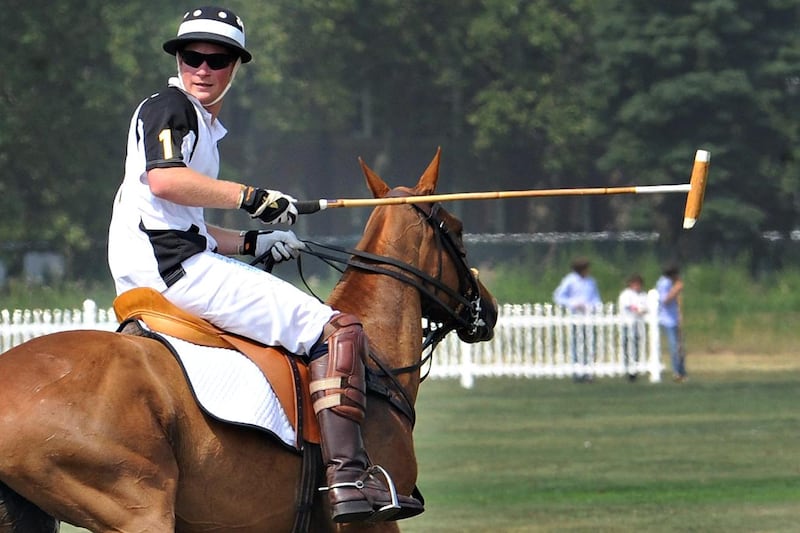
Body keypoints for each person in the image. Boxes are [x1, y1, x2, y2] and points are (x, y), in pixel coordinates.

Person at [107, 6, 422, 523]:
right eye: (194, 57)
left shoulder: (202, 126)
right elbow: (165, 180)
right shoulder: (171, 107)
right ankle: (348, 479)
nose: (204, 69)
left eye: (219, 58)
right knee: (335, 328)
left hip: (174, 260)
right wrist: (250, 195)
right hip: (174, 272)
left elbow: (187, 225)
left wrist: (255, 242)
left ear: (236, 67)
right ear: (178, 60)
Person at [553, 257, 602, 382]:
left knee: (589, 343)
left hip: (589, 315)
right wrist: (573, 303)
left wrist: (593, 306)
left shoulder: (591, 281)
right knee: (577, 343)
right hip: (575, 315)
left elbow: (596, 297)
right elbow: (558, 296)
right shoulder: (570, 280)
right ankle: (577, 372)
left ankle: (588, 371)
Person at [655, 264, 687, 382]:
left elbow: (677, 301)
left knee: (681, 347)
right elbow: (665, 300)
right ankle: (677, 372)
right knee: (674, 346)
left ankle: (682, 371)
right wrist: (677, 289)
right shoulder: (665, 283)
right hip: (667, 320)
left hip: (674, 318)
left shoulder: (669, 283)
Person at [618, 273, 647, 381]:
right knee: (626, 345)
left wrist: (642, 310)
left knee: (635, 345)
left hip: (638, 324)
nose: (637, 286)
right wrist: (637, 310)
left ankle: (634, 368)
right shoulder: (626, 294)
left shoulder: (643, 295)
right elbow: (628, 306)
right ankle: (627, 367)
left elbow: (646, 307)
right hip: (627, 323)